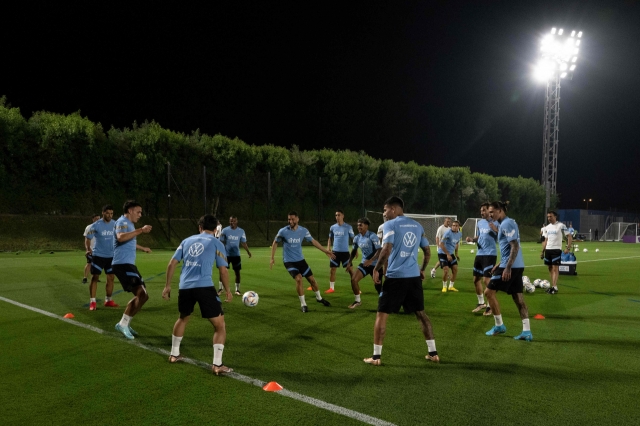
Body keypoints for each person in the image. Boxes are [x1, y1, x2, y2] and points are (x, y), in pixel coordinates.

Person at [364, 196, 438, 365]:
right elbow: (427, 251)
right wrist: (422, 269)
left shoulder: (390, 225)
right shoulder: (417, 226)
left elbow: (387, 248)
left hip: (396, 278)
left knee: (382, 314)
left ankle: (376, 357)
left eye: (385, 209)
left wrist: (376, 269)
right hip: (413, 278)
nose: (384, 213)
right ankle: (433, 353)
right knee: (421, 314)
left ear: (394, 209)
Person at [162, 214, 233, 375]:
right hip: (204, 287)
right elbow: (223, 270)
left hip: (185, 287)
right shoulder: (216, 243)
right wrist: (228, 290)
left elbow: (172, 263)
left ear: (199, 228)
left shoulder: (186, 241)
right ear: (216, 229)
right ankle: (217, 365)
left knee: (183, 318)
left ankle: (174, 354)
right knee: (220, 325)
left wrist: (167, 286)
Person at [484, 201, 532, 341]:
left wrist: (507, 267)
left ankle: (499, 325)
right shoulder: (505, 223)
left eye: (492, 211)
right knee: (518, 298)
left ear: (500, 210)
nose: (490, 214)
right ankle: (527, 331)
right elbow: (508, 248)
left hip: (511, 266)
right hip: (514, 265)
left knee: (489, 292)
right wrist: (499, 265)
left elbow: (515, 246)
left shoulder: (506, 223)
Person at [270, 211, 335, 312]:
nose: (290, 221)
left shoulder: (303, 231)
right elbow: (275, 242)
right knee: (299, 279)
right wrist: (272, 257)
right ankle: (303, 304)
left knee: (312, 280)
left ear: (297, 219)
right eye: (289, 219)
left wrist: (325, 251)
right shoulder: (283, 231)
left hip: (301, 260)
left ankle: (319, 298)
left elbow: (313, 241)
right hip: (289, 261)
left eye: (292, 219)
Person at [112, 200, 153, 340]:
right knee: (141, 293)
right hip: (122, 264)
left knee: (144, 296)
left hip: (128, 264)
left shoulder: (130, 225)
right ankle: (123, 324)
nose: (140, 215)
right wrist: (141, 230)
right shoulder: (122, 222)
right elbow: (121, 237)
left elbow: (129, 241)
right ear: (130, 210)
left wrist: (143, 248)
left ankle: (125, 323)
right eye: (138, 212)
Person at [465, 203, 498, 316]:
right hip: (480, 253)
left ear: (489, 211)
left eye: (484, 210)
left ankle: (490, 306)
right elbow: (479, 236)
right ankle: (481, 303)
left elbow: (502, 237)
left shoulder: (496, 222)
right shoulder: (480, 223)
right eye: (481, 210)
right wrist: (472, 239)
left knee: (486, 280)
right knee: (475, 279)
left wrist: (496, 230)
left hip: (490, 254)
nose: (482, 212)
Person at [84, 205, 118, 310]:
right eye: (108, 213)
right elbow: (88, 238)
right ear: (103, 213)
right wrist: (88, 249)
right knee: (95, 277)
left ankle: (108, 300)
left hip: (111, 256)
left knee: (111, 278)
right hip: (98, 256)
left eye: (112, 213)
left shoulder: (115, 224)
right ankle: (92, 302)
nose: (110, 215)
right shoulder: (95, 225)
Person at [345, 217, 382, 308]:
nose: (358, 227)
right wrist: (349, 262)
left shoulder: (372, 236)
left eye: (360, 225)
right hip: (364, 263)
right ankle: (357, 301)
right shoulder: (357, 238)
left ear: (366, 226)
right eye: (358, 225)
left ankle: (384, 302)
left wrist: (371, 260)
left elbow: (379, 250)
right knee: (354, 279)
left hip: (376, 264)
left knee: (378, 286)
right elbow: (354, 251)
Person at [218, 216, 252, 296]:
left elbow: (243, 243)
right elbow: (221, 242)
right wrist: (220, 252)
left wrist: (248, 251)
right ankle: (220, 288)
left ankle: (237, 290)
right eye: (230, 221)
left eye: (233, 221)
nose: (231, 223)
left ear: (236, 221)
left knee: (237, 272)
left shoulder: (241, 231)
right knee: (222, 271)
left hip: (236, 255)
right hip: (226, 255)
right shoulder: (225, 230)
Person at [540, 211, 572, 295]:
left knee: (555, 268)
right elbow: (546, 240)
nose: (549, 218)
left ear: (555, 216)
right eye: (548, 217)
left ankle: (554, 286)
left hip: (556, 249)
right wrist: (542, 251)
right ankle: (553, 286)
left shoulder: (561, 226)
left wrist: (568, 248)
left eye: (550, 216)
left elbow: (569, 236)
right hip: (548, 249)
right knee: (550, 268)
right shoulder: (547, 227)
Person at [323, 210, 355, 293]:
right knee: (332, 270)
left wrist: (355, 249)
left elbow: (353, 239)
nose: (337, 217)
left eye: (339, 215)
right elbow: (330, 238)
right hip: (335, 252)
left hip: (345, 253)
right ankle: (331, 288)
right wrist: (328, 248)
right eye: (336, 215)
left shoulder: (348, 227)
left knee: (351, 270)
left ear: (343, 216)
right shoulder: (332, 227)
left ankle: (356, 287)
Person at [438, 220, 461, 293]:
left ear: (458, 227)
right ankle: (444, 286)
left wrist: (456, 254)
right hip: (442, 253)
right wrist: (447, 254)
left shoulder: (459, 234)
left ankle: (451, 286)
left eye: (456, 226)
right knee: (446, 270)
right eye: (453, 225)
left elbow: (456, 244)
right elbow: (441, 244)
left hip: (450, 253)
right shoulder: (448, 233)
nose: (454, 227)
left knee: (455, 269)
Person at [82, 214, 100, 283]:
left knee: (98, 265)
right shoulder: (89, 227)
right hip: (91, 249)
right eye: (96, 219)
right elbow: (86, 239)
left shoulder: (102, 227)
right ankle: (85, 277)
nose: (98, 220)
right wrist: (87, 249)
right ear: (93, 219)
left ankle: (96, 277)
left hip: (99, 250)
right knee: (89, 263)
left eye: (99, 218)